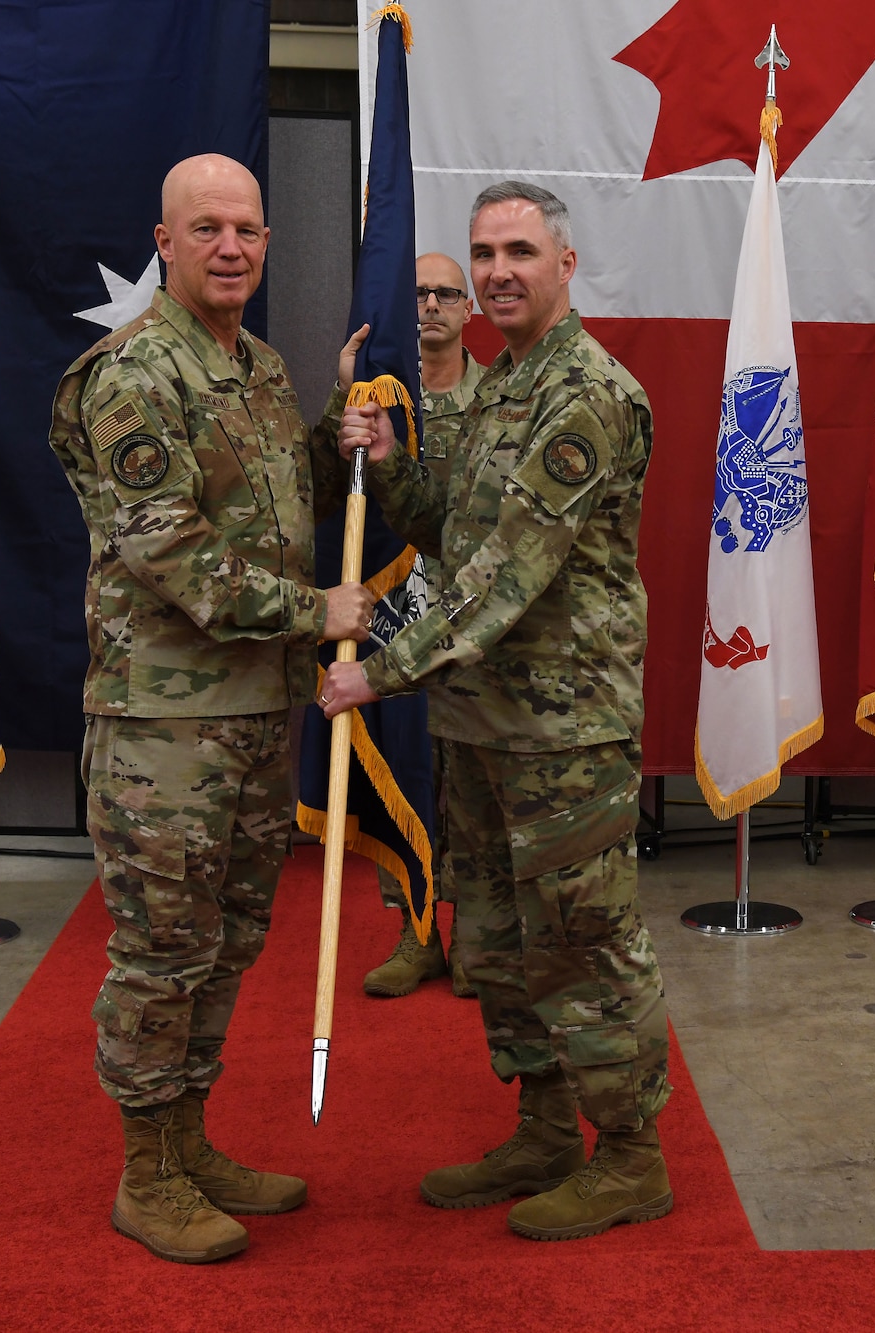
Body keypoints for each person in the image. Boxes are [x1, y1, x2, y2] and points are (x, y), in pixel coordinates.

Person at [322, 181, 674, 1241]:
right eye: (483, 253)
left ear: (566, 263)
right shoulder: (494, 389)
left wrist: (378, 672)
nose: (497, 271)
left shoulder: (584, 395)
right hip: (481, 720)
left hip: (562, 727)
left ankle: (630, 1156)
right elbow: (452, 528)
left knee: (584, 943)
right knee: (500, 943)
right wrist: (392, 468)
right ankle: (544, 1126)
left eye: (520, 249)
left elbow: (506, 575)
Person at [47, 153, 375, 1265]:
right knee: (160, 951)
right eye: (208, 228)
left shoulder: (262, 372)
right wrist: (316, 608)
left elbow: (282, 505)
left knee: (229, 940)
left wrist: (347, 438)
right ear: (166, 241)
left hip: (250, 716)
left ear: (266, 244)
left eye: (247, 228)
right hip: (161, 731)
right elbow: (172, 554)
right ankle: (146, 1174)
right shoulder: (134, 376)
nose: (230, 245)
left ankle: (189, 1143)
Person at [361, 251, 488, 1000]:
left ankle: (472, 934)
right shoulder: (385, 401)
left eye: (446, 293)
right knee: (403, 771)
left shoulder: (496, 399)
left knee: (471, 782)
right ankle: (415, 933)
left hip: (470, 616)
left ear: (468, 310)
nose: (432, 304)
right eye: (418, 293)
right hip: (397, 617)